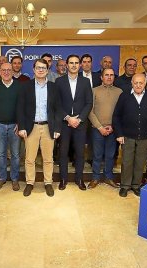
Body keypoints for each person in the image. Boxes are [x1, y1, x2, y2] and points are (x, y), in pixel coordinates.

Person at [18, 59, 62, 197]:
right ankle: (30, 183)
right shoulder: (25, 86)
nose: (41, 70)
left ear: (48, 70)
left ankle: (48, 182)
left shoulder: (54, 87)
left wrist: (58, 128)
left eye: (43, 68)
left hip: (49, 127)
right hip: (32, 127)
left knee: (48, 158)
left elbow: (58, 109)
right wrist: (22, 127)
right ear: (33, 69)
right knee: (29, 159)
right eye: (38, 67)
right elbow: (20, 109)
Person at [112, 74, 147, 197]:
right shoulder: (124, 96)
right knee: (127, 162)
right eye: (136, 83)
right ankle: (124, 186)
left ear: (145, 83)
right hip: (127, 136)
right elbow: (116, 116)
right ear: (132, 83)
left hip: (145, 137)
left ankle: (136, 185)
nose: (138, 85)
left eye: (141, 83)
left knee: (140, 162)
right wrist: (119, 133)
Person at [55, 54, 93, 191]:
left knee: (80, 153)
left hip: (80, 124)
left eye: (77, 63)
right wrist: (67, 118)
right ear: (66, 64)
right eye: (71, 62)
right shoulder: (59, 82)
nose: (74, 65)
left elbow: (89, 103)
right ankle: (63, 179)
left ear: (80, 65)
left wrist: (79, 118)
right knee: (63, 152)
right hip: (64, 123)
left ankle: (79, 179)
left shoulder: (85, 82)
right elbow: (56, 104)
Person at [0, 63, 21, 191]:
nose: (6, 72)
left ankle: (15, 179)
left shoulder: (19, 86)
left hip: (15, 126)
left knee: (16, 155)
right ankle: (2, 178)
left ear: (13, 71)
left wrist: (20, 123)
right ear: (0, 72)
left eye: (9, 70)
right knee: (1, 154)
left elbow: (22, 106)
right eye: (3, 70)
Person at [88, 68, 122, 189]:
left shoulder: (119, 92)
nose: (109, 77)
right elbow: (90, 111)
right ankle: (95, 178)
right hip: (97, 129)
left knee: (110, 155)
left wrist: (113, 126)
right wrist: (99, 127)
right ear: (101, 77)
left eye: (111, 75)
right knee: (97, 155)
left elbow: (121, 112)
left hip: (113, 130)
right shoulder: (94, 91)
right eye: (106, 75)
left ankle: (109, 177)